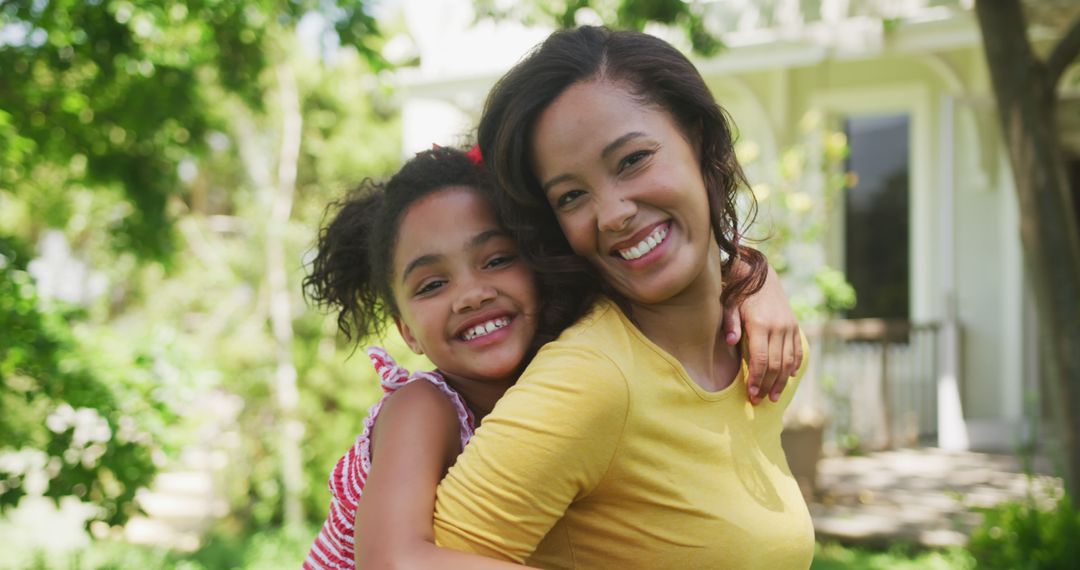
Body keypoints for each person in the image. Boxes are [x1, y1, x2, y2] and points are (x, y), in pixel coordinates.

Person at [300, 145, 801, 568]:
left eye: (497, 260)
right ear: (407, 331)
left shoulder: (572, 358)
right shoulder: (422, 407)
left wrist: (751, 276)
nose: (471, 294)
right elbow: (390, 561)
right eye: (433, 284)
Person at [431, 26, 814, 569]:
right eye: (571, 196)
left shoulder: (764, 349)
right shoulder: (589, 380)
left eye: (632, 160)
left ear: (698, 138)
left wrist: (750, 270)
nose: (612, 214)